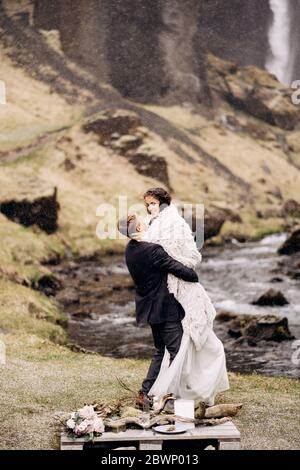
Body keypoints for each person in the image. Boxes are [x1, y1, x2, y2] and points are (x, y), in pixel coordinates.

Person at [137, 187, 229, 406]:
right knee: (175, 347)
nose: (150, 208)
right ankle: (174, 393)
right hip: (165, 294)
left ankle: (175, 391)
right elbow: (159, 254)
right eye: (147, 204)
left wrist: (150, 242)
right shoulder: (153, 225)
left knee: (184, 343)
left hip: (175, 288)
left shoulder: (174, 223)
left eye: (153, 203)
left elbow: (186, 256)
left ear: (163, 203)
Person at [118, 214, 199, 408]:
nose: (147, 222)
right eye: (143, 222)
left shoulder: (130, 249)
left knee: (160, 351)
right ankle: (174, 399)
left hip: (149, 308)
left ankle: (144, 393)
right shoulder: (153, 250)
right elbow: (179, 269)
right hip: (164, 309)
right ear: (138, 229)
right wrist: (193, 274)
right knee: (178, 353)